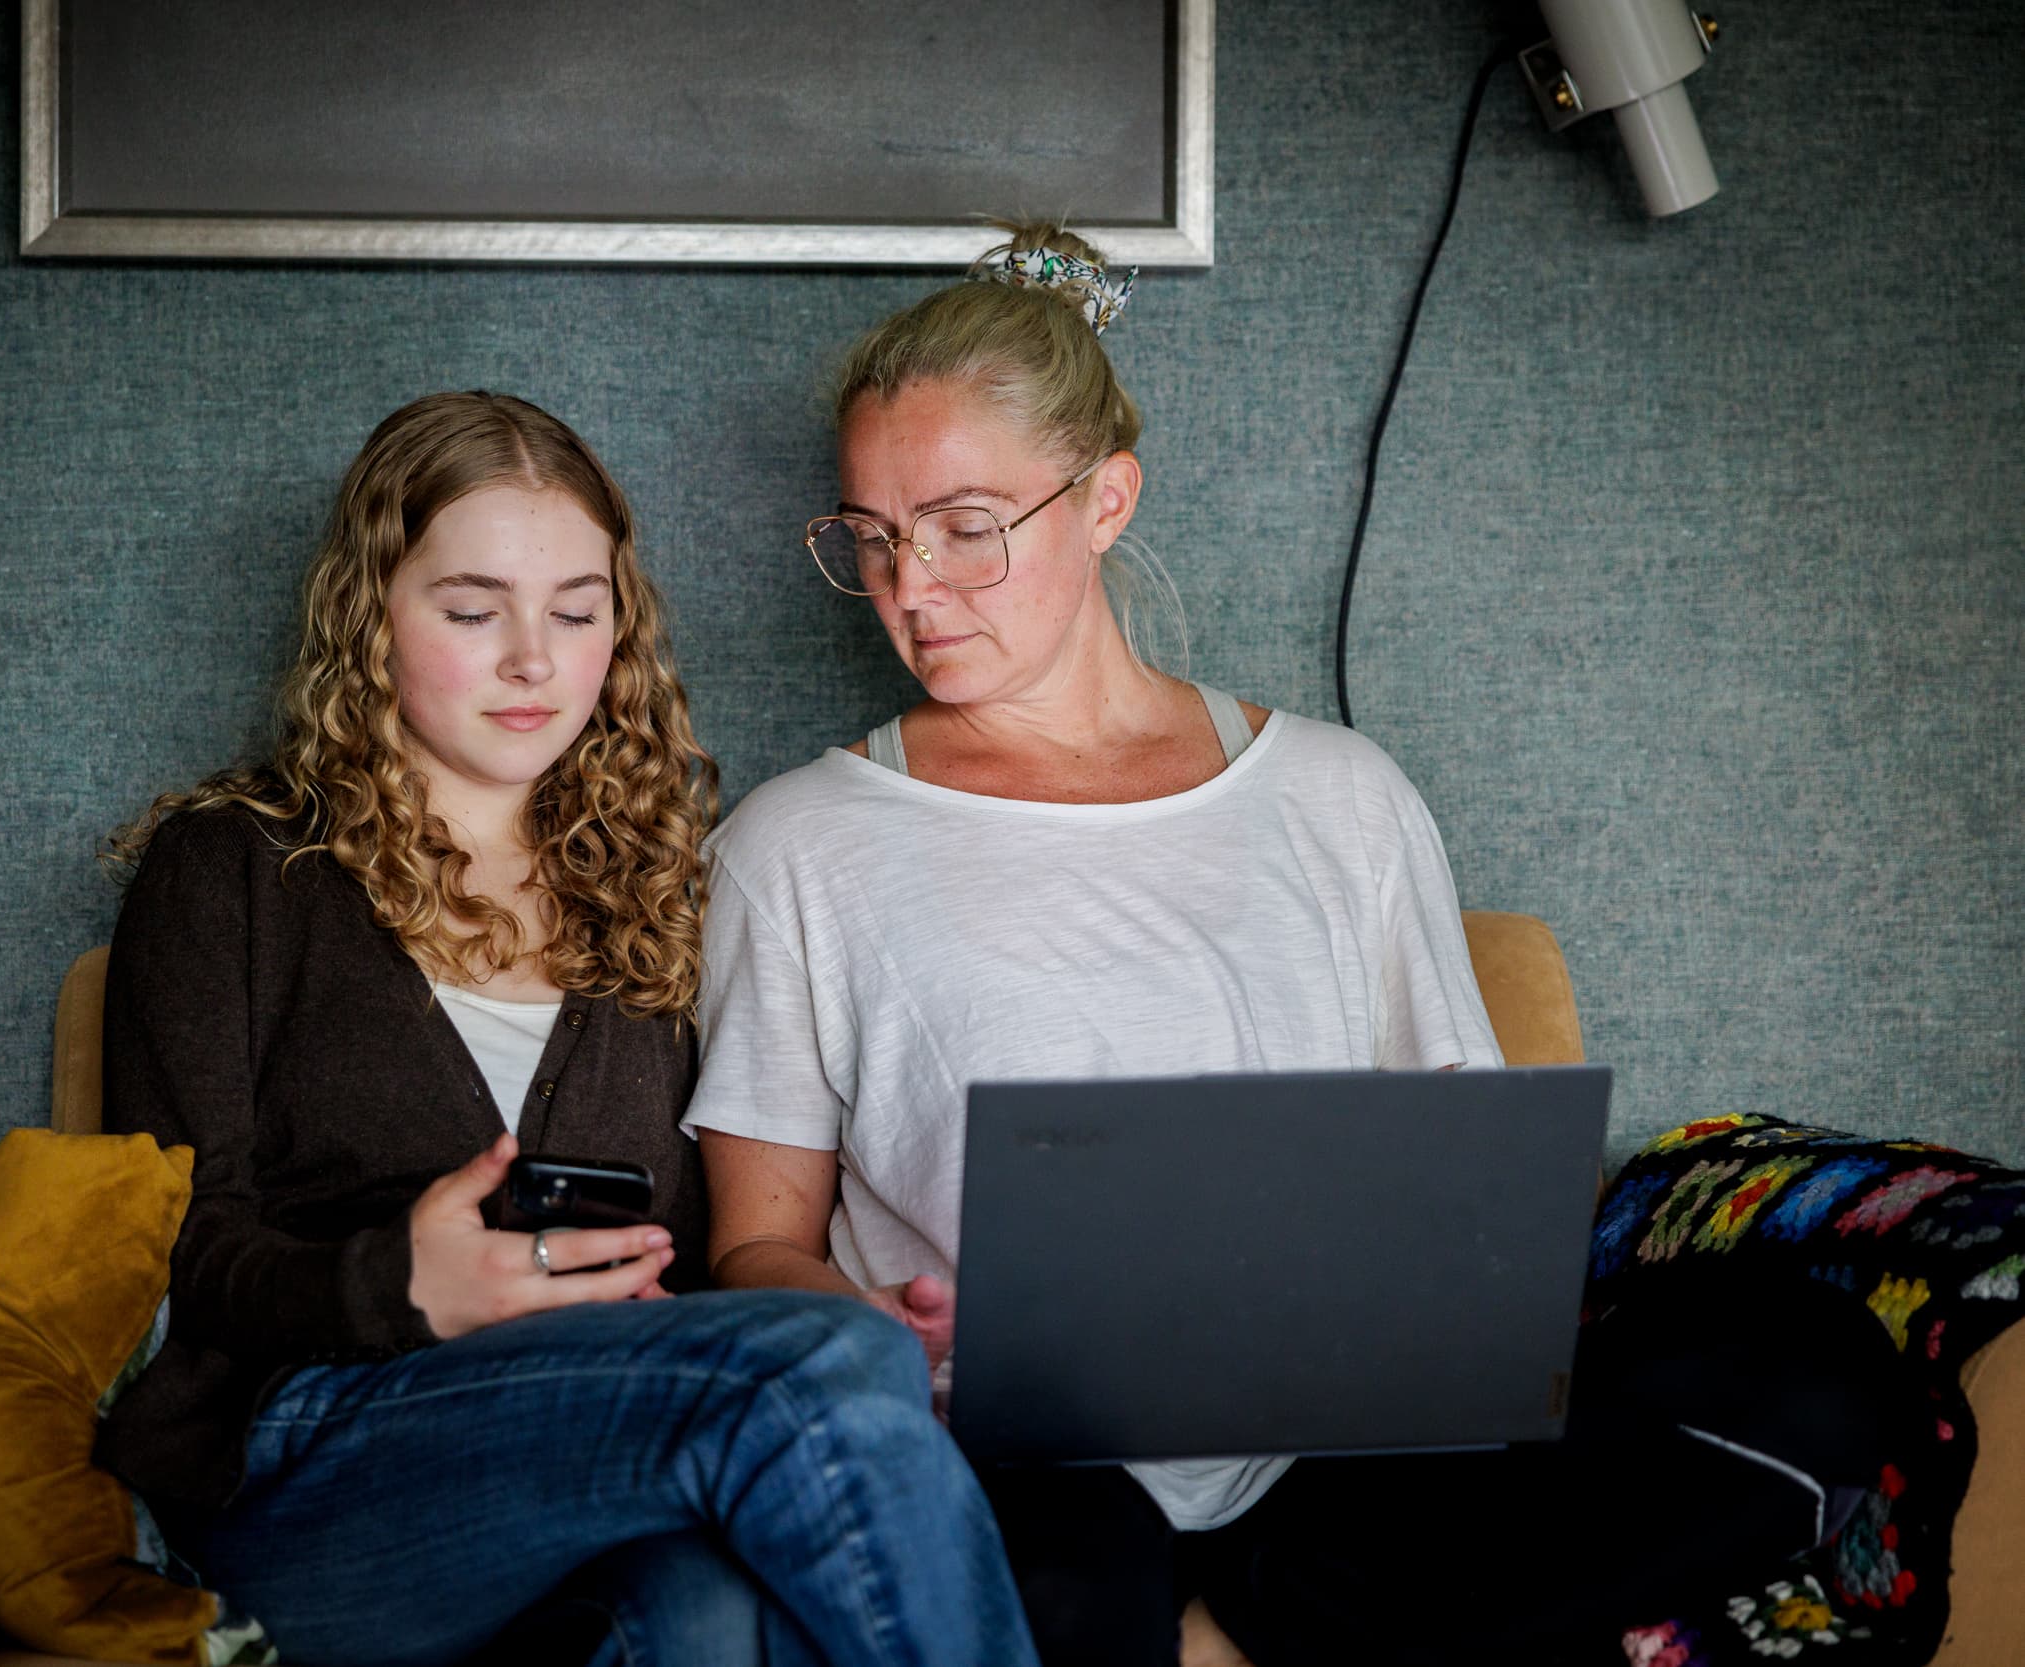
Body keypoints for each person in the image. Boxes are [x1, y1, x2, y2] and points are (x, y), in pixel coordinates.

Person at [684, 228, 1903, 1667]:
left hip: (1347, 1459)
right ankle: (1273, 1619)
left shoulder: (1339, 791)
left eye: (964, 524)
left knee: (1814, 1386)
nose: (914, 589)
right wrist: (889, 1326)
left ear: (1105, 500)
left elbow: (1474, 1173)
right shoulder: (796, 841)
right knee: (1070, 1572)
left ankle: (1243, 1620)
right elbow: (755, 1242)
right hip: (1025, 1461)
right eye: (872, 539)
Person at [93, 391, 1042, 1667]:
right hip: (310, 1472)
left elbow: (700, 1256)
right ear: (371, 613)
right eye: (473, 610)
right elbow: (161, 1248)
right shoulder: (233, 870)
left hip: (589, 1458)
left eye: (576, 612)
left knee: (705, 1605)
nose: (533, 659)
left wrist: (840, 1312)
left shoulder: (654, 887)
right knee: (807, 1371)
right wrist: (399, 1281)